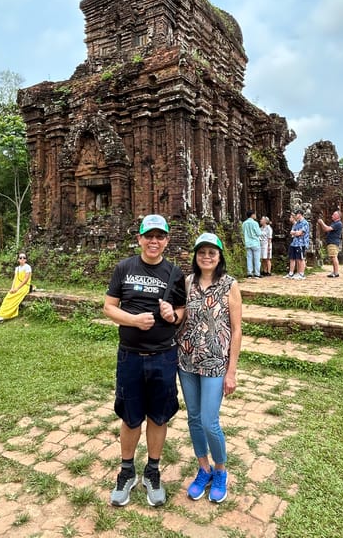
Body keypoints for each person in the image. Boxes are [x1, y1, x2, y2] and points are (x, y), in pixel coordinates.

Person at [104, 214, 186, 507]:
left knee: (159, 415)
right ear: (139, 238)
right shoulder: (124, 268)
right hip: (130, 356)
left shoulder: (174, 273)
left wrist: (171, 316)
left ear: (166, 240)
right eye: (148, 236)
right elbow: (109, 307)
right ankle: (126, 471)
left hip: (164, 355)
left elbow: (181, 311)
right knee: (130, 415)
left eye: (159, 236)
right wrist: (133, 320)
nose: (154, 241)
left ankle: (152, 470)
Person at [177, 233, 242, 504]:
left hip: (216, 363)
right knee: (193, 418)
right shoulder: (187, 282)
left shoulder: (229, 285)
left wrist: (232, 370)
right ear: (195, 256)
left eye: (211, 253)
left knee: (209, 421)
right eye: (201, 252)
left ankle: (220, 470)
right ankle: (203, 468)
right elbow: (180, 318)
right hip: (187, 361)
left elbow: (237, 330)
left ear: (219, 257)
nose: (206, 257)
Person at [0, 253, 32, 324]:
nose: (22, 259)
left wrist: (17, 289)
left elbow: (25, 280)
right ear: (18, 259)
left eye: (24, 258)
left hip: (24, 286)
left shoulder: (27, 267)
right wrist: (12, 288)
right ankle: (0, 314)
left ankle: (5, 315)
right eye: (20, 258)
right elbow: (15, 279)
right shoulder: (17, 268)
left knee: (15, 297)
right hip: (16, 286)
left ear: (26, 259)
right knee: (8, 297)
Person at [284, 209, 309, 280]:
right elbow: (291, 232)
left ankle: (301, 273)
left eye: (296, 214)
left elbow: (300, 233)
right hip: (294, 243)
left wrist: (296, 232)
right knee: (293, 258)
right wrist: (296, 232)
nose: (295, 216)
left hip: (301, 243)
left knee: (300, 258)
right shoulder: (297, 223)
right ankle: (291, 273)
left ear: (300, 214)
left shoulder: (305, 223)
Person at [317, 210, 343, 278]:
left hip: (333, 242)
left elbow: (327, 228)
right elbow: (325, 229)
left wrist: (321, 222)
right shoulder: (334, 223)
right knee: (332, 257)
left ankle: (336, 272)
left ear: (338, 216)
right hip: (331, 242)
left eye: (334, 215)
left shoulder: (338, 223)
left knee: (334, 257)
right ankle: (334, 271)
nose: (332, 216)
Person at [242, 210, 261, 278]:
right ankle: (257, 273)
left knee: (249, 258)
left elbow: (243, 232)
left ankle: (249, 273)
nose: (255, 216)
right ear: (252, 215)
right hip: (255, 242)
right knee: (257, 258)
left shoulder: (244, 223)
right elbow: (259, 233)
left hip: (247, 242)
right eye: (254, 214)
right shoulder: (255, 223)